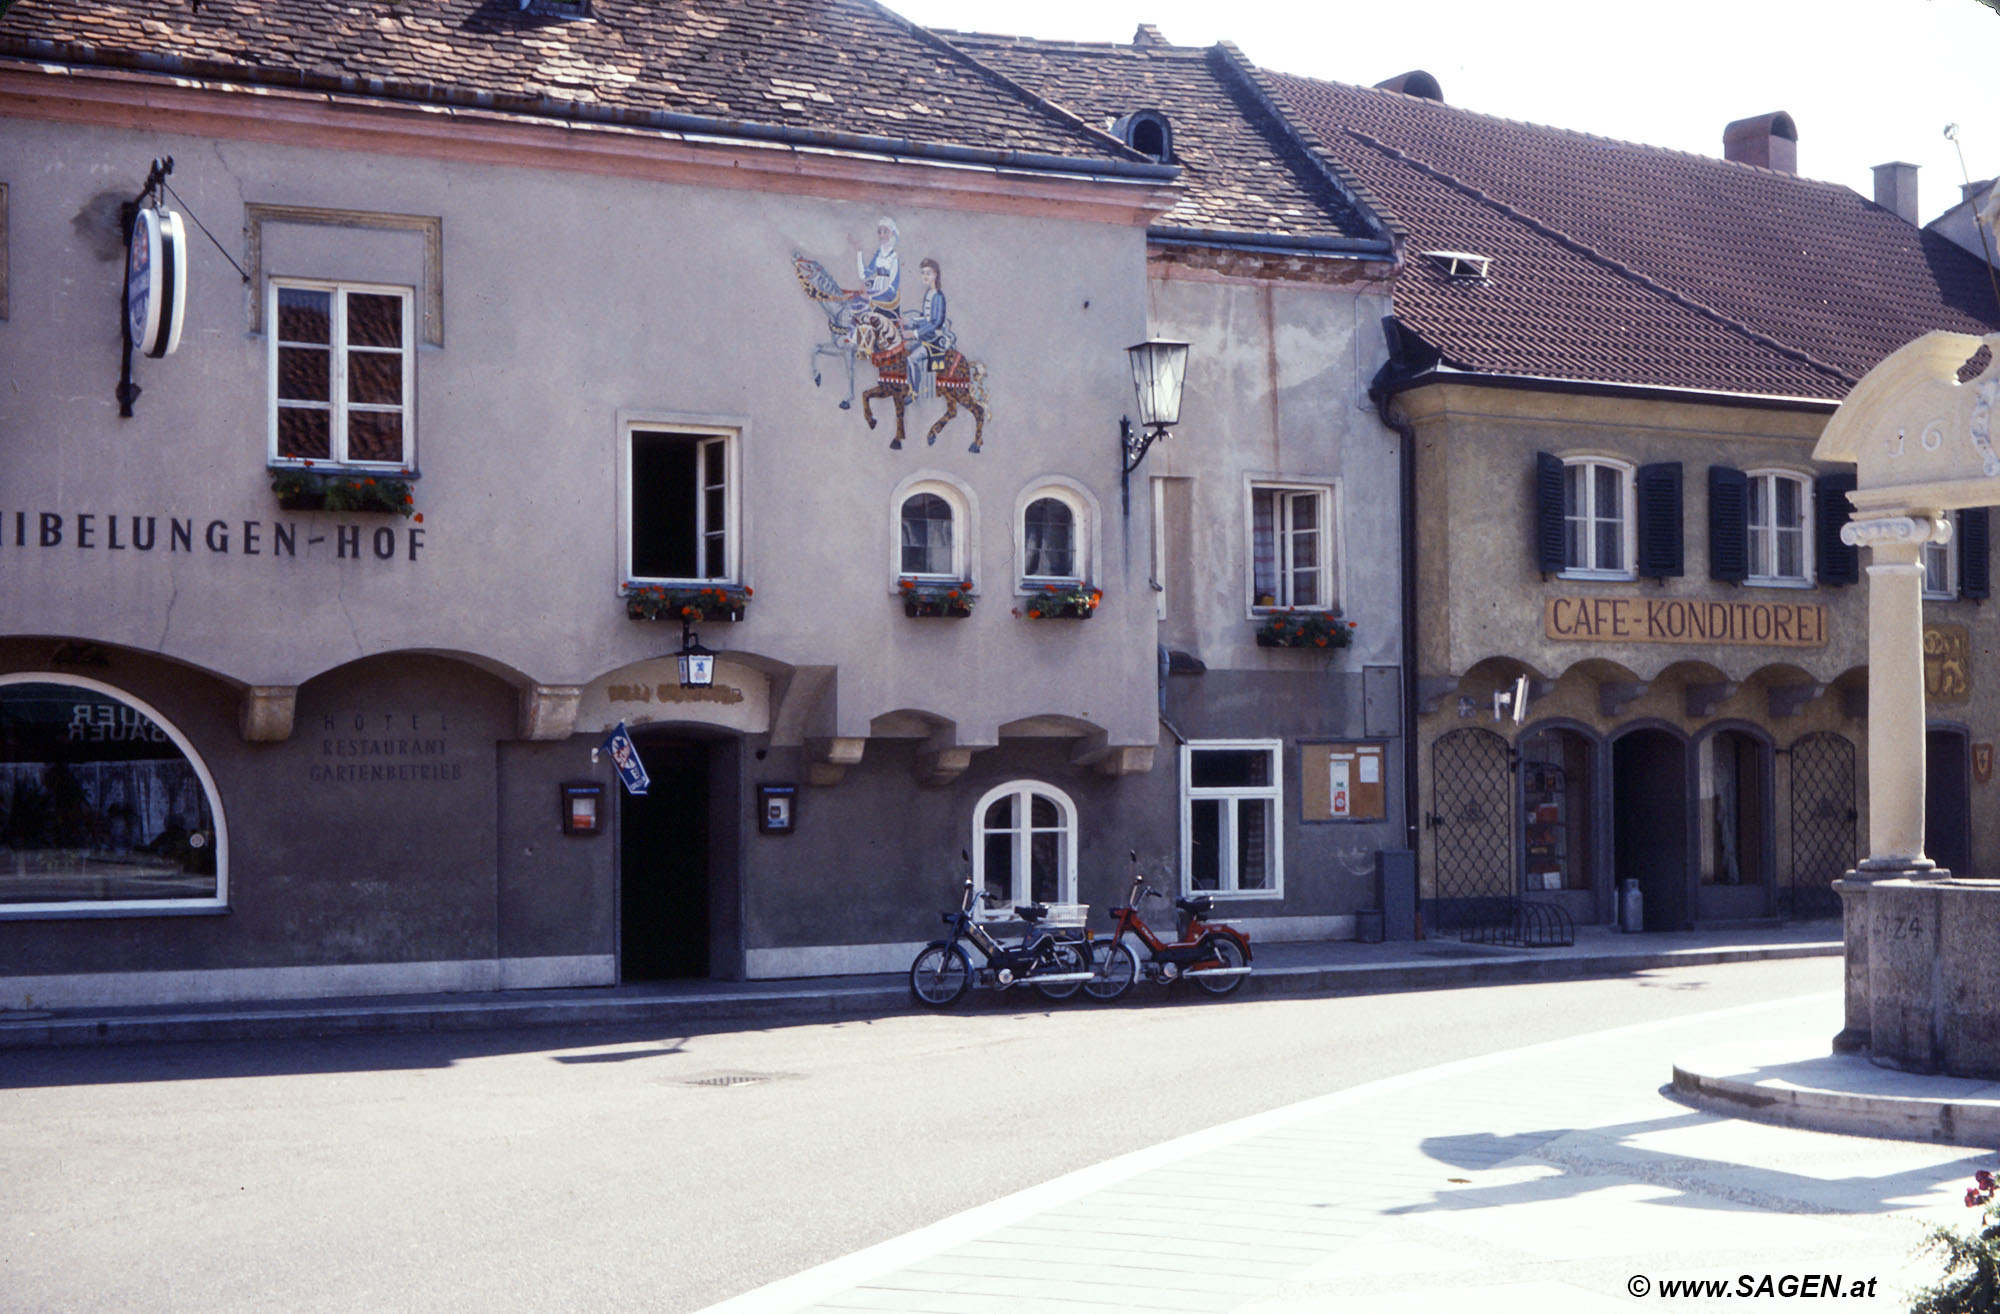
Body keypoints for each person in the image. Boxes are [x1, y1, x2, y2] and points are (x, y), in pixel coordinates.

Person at [903, 257, 955, 372]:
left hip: (935, 339)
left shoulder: (938, 296)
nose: (925, 276)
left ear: (935, 274)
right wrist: (911, 321)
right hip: (927, 336)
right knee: (903, 348)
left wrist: (915, 333)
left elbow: (935, 322)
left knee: (912, 359)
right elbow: (926, 318)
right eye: (923, 273)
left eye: (928, 273)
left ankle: (914, 390)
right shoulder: (929, 293)